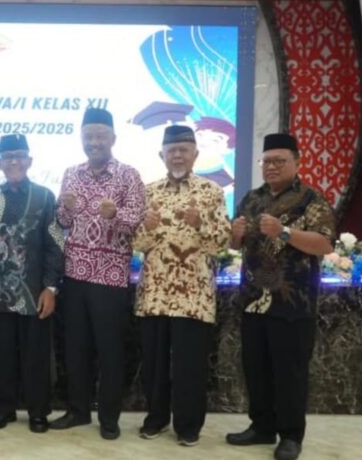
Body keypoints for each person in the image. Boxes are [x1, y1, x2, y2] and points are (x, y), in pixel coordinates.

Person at [225, 133, 334, 460]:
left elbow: (324, 244)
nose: (271, 167)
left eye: (279, 161)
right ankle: (262, 427)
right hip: (253, 300)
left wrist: (284, 232)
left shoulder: (310, 199)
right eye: (267, 161)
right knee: (256, 369)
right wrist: (235, 235)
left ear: (296, 163)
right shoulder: (252, 198)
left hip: (293, 304)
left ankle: (290, 435)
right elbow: (235, 245)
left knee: (290, 373)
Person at [132, 125, 230, 446]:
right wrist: (145, 228)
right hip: (155, 293)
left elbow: (221, 244)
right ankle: (156, 418)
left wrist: (201, 224)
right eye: (171, 150)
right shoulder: (148, 192)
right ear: (161, 155)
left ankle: (188, 425)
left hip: (194, 295)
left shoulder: (212, 192)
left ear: (195, 155)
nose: (177, 155)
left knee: (190, 366)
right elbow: (137, 244)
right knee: (155, 364)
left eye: (183, 150)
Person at [50, 107, 145, 439]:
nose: (94, 142)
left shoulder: (129, 175)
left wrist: (114, 215)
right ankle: (78, 411)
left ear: (113, 138)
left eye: (100, 136)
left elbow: (138, 224)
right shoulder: (71, 173)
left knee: (110, 351)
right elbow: (62, 222)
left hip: (110, 277)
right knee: (75, 348)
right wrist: (65, 210)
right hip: (75, 274)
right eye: (88, 136)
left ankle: (109, 418)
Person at [0, 134, 63, 433]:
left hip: (33, 291)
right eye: (8, 157)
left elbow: (55, 245)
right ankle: (2, 409)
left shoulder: (44, 197)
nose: (14, 161)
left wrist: (51, 287)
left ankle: (38, 412)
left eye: (19, 156)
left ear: (29, 161)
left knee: (36, 354)